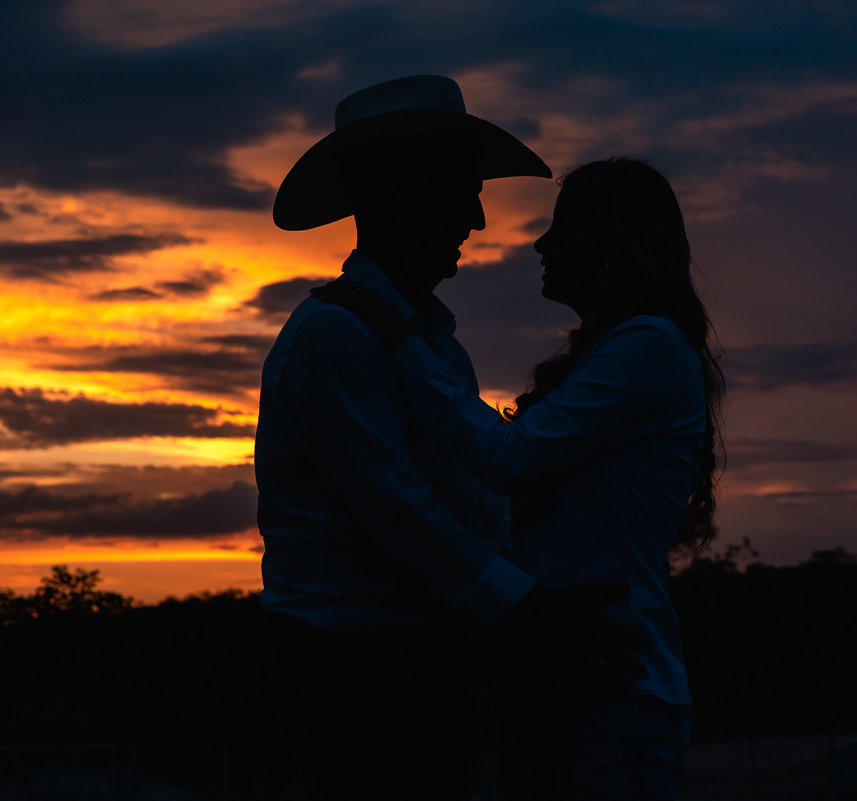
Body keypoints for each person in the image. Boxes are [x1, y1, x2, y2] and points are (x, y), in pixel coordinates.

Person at [257, 76, 638, 801]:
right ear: (402, 195)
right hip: (357, 664)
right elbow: (397, 509)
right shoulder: (336, 337)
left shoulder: (430, 343)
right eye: (462, 192)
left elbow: (456, 500)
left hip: (407, 658)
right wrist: (528, 605)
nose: (478, 218)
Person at [316, 157, 724, 800]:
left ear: (613, 247)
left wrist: (403, 346)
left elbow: (511, 458)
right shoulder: (612, 356)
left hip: (613, 690)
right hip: (560, 682)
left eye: (564, 229)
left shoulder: (649, 346)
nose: (540, 243)